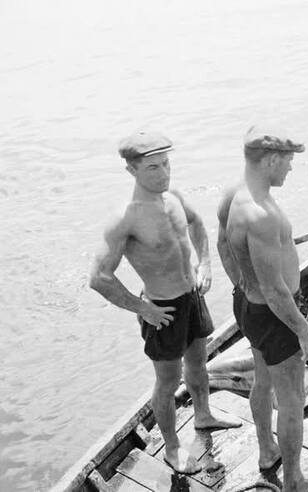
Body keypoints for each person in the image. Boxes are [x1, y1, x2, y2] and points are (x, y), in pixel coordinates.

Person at [89, 131, 240, 475]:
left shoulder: (173, 197)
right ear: (131, 170)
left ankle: (204, 415)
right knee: (168, 383)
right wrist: (143, 309)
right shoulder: (124, 219)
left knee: (199, 364)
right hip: (163, 310)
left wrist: (205, 263)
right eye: (153, 168)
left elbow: (197, 223)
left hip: (192, 298)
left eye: (166, 164)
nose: (164, 173)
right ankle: (172, 448)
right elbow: (99, 277)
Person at [222, 126, 308, 492]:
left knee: (262, 381)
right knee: (292, 400)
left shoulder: (233, 195)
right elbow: (275, 290)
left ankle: (268, 451)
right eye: (288, 161)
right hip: (274, 316)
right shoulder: (262, 214)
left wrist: (240, 283)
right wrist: (305, 332)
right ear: (270, 160)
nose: (291, 168)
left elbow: (222, 245)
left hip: (247, 306)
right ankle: (295, 480)